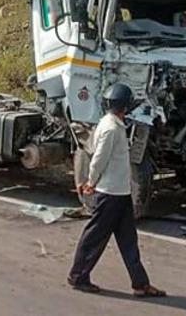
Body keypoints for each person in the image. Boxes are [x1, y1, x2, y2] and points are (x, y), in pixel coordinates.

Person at [68, 83, 165, 298]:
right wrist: (91, 182)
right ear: (126, 106)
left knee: (129, 241)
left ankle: (140, 284)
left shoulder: (114, 124)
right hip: (109, 194)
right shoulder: (111, 128)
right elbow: (98, 159)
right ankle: (78, 276)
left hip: (121, 194)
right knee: (94, 237)